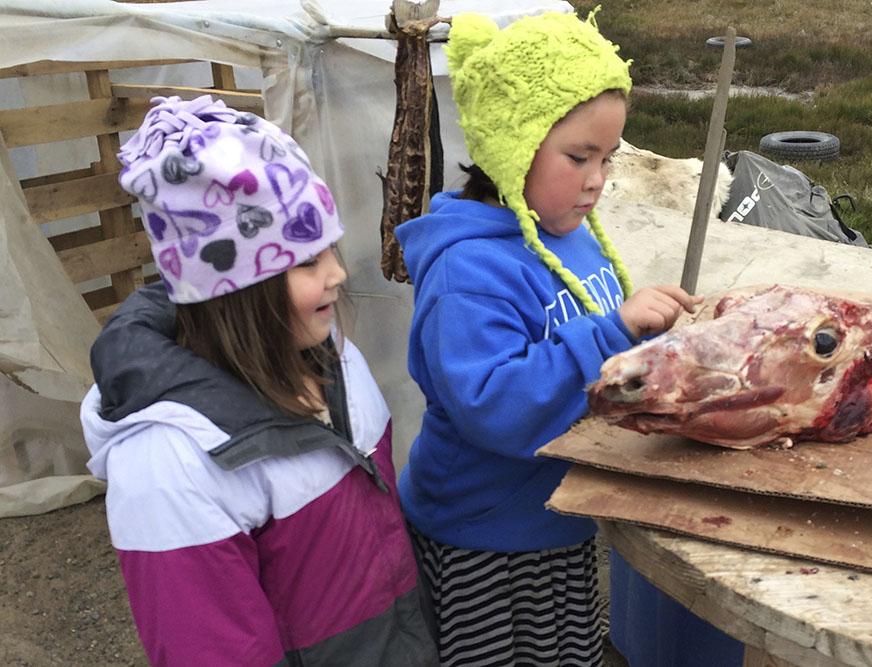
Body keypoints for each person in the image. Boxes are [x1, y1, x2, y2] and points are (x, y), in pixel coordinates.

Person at [79, 96, 436, 666]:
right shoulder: (171, 467)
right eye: (305, 260)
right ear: (234, 291)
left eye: (330, 249)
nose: (338, 274)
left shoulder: (331, 357)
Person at [395, 11, 702, 666]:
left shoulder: (567, 231)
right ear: (513, 144)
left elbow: (590, 343)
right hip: (480, 538)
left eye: (608, 156)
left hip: (554, 523)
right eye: (579, 156)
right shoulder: (467, 273)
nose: (598, 177)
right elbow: (495, 405)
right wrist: (613, 331)